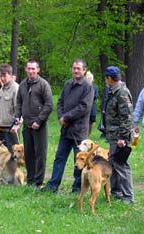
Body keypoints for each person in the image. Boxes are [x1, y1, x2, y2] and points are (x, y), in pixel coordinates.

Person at [43, 59, 93, 193]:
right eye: (74, 68)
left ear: (84, 70)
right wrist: (61, 117)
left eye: (79, 68)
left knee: (80, 161)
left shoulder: (88, 87)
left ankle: (77, 188)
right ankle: (52, 186)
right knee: (59, 158)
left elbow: (84, 107)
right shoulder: (67, 84)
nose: (76, 71)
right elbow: (60, 102)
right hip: (65, 130)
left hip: (79, 131)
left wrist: (66, 117)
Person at [15, 60, 53, 188]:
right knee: (29, 154)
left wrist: (39, 120)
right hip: (26, 125)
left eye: (33, 69)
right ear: (26, 69)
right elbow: (19, 102)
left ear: (38, 70)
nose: (31, 71)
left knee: (40, 154)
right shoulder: (23, 85)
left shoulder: (43, 84)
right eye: (29, 68)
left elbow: (49, 105)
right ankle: (30, 180)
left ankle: (38, 181)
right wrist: (17, 116)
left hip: (39, 126)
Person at [104, 66, 134, 204]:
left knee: (121, 165)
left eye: (106, 77)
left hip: (120, 136)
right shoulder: (113, 92)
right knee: (113, 163)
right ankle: (116, 192)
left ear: (110, 78)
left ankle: (128, 196)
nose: (106, 80)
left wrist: (123, 137)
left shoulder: (121, 93)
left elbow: (126, 117)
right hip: (113, 135)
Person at [0, 63, 19, 153]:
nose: (2, 78)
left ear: (10, 75)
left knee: (12, 156)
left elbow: (18, 108)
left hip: (11, 129)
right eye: (0, 76)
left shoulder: (15, 88)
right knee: (2, 157)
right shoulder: (2, 88)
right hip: (1, 128)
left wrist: (16, 125)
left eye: (4, 76)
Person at [86, 71, 98, 136]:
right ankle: (84, 135)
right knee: (85, 122)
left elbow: (95, 96)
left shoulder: (95, 87)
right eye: (88, 78)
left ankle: (88, 135)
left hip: (92, 107)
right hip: (85, 107)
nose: (89, 79)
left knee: (91, 122)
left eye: (91, 78)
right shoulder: (83, 87)